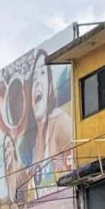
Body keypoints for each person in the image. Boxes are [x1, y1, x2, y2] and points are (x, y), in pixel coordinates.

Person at [28, 49, 73, 187]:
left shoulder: (59, 121)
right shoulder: (34, 143)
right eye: (34, 78)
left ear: (50, 86)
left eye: (42, 73)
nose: (37, 83)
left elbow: (77, 165)